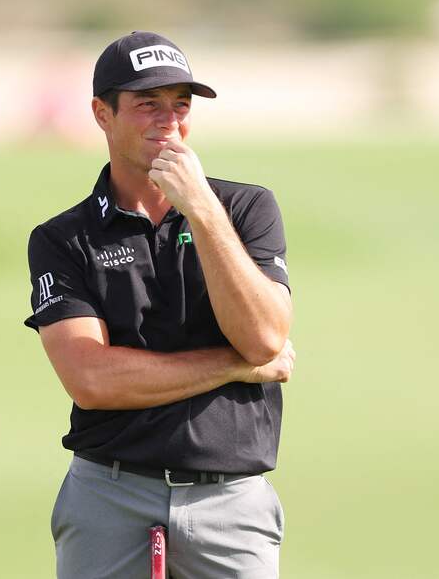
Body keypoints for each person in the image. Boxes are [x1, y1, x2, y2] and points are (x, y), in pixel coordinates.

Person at [23, 31, 295, 579]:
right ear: (102, 114)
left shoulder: (246, 209)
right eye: (148, 103)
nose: (168, 120)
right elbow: (92, 380)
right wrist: (234, 365)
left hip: (232, 504)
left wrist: (203, 210)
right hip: (108, 496)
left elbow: (265, 338)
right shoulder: (63, 238)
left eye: (181, 104)